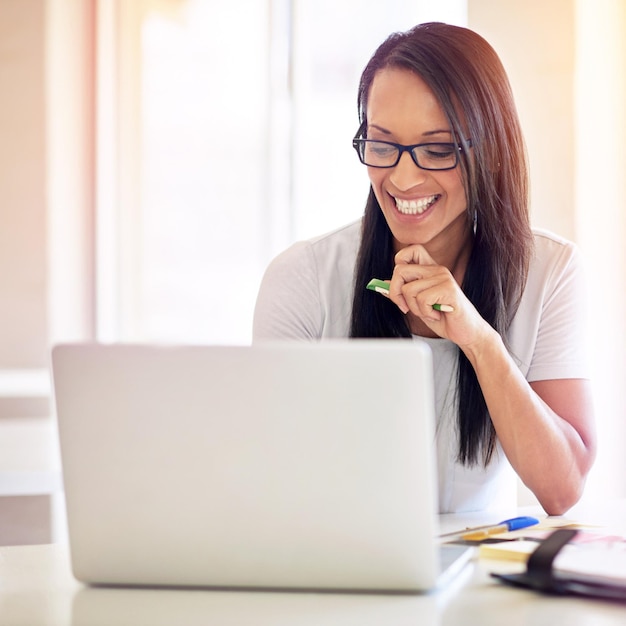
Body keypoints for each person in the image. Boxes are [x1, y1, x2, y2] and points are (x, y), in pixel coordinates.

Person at [253, 22, 596, 515]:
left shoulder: (551, 272)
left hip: (480, 578)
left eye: (437, 149)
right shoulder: (302, 279)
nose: (403, 177)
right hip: (344, 571)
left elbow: (561, 490)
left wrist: (479, 340)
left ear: (490, 150)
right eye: (382, 144)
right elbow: (268, 481)